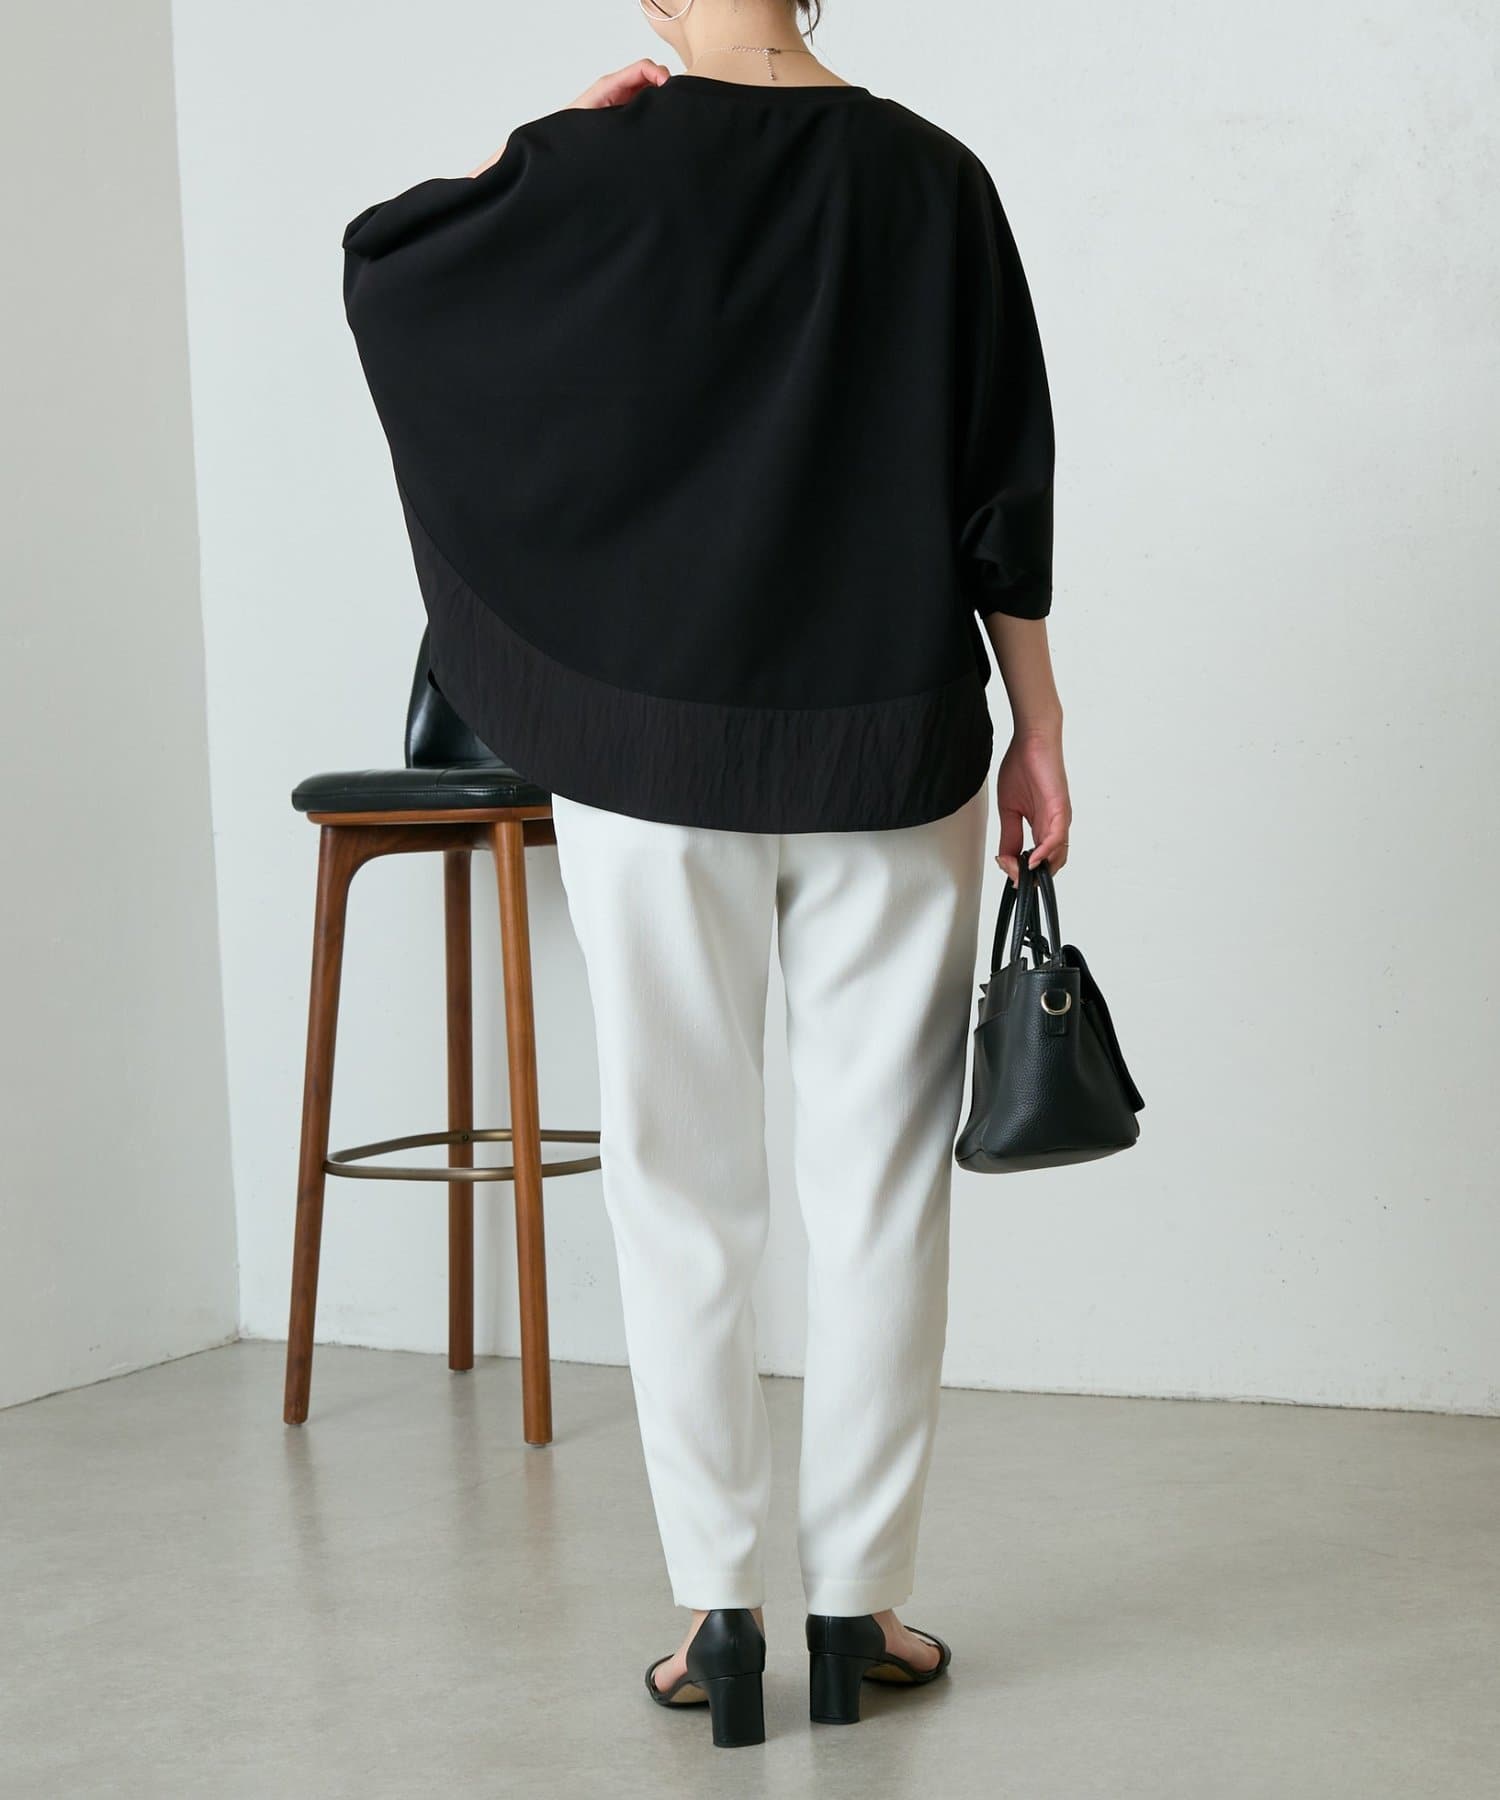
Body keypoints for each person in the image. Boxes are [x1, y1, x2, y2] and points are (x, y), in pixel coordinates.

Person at [341, 0, 1070, 1750]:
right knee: (879, 1186)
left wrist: (524, 158)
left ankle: (718, 1619)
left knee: (679, 1183)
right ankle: (855, 1607)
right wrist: (1039, 729)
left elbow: (392, 273)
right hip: (891, 747)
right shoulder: (935, 181)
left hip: (650, 761)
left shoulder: (586, 168)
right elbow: (1001, 492)